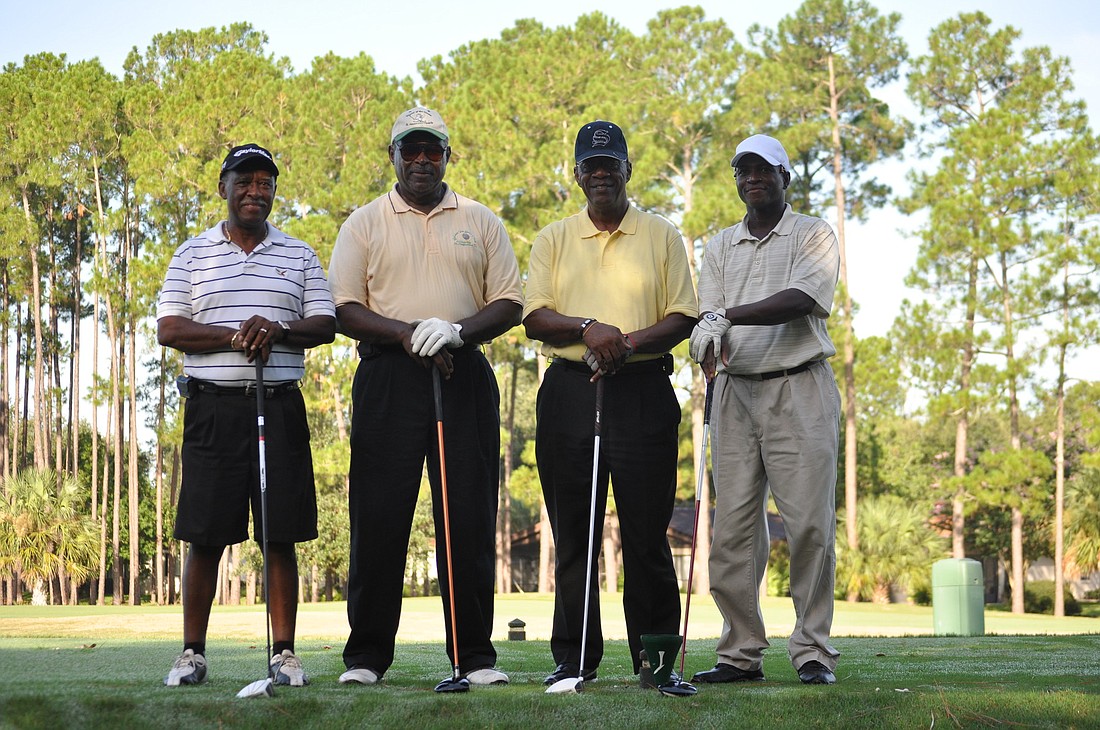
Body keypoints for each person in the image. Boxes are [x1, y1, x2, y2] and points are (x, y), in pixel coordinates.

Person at [329, 107, 523, 687]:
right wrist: (408, 333)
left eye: (431, 151)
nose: (421, 161)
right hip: (388, 377)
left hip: (461, 374)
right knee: (379, 516)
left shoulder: (481, 220)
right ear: (392, 156)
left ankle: (474, 657)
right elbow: (344, 308)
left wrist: (459, 332)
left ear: (446, 156)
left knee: (465, 517)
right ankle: (366, 658)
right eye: (409, 150)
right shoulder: (363, 222)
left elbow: (510, 302)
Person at [523, 120, 698, 685]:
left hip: (642, 391)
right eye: (590, 165)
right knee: (576, 534)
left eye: (610, 163)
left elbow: (681, 317)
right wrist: (589, 327)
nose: (601, 173)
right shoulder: (554, 237)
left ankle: (656, 661)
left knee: (648, 535)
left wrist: (622, 344)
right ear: (577, 175)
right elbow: (536, 317)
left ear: (628, 169)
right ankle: (573, 660)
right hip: (571, 392)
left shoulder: (661, 234)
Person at [157, 143, 337, 687]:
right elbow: (170, 329)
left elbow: (325, 324)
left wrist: (277, 330)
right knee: (205, 535)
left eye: (265, 183)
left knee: (280, 535)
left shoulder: (299, 254)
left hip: (278, 407)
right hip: (212, 409)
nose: (255, 192)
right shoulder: (191, 254)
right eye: (245, 181)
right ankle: (192, 653)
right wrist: (236, 336)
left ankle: (284, 653)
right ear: (223, 186)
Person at [688, 134, 841, 686]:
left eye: (764, 170)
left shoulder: (812, 233)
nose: (752, 178)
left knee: (808, 527)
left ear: (785, 178)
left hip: (799, 387)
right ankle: (740, 652)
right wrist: (707, 336)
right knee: (732, 532)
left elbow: (803, 298)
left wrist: (725, 315)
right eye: (743, 170)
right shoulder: (720, 244)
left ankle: (812, 650)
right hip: (734, 394)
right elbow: (708, 314)